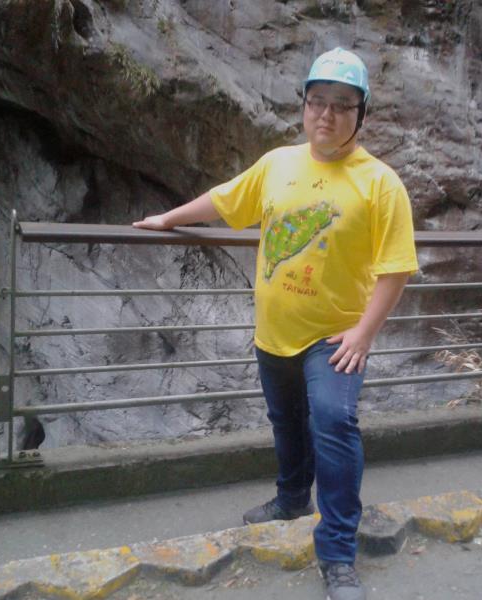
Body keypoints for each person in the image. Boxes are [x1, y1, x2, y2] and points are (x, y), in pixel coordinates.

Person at [133, 47, 418, 600]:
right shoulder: (278, 164)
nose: (326, 115)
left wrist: (364, 334)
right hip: (274, 331)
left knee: (333, 423)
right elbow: (225, 200)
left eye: (342, 105)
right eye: (317, 102)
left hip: (334, 338)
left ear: (361, 114)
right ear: (304, 106)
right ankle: (291, 500)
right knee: (286, 422)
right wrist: (168, 218)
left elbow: (397, 267)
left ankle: (337, 553)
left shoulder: (381, 183)